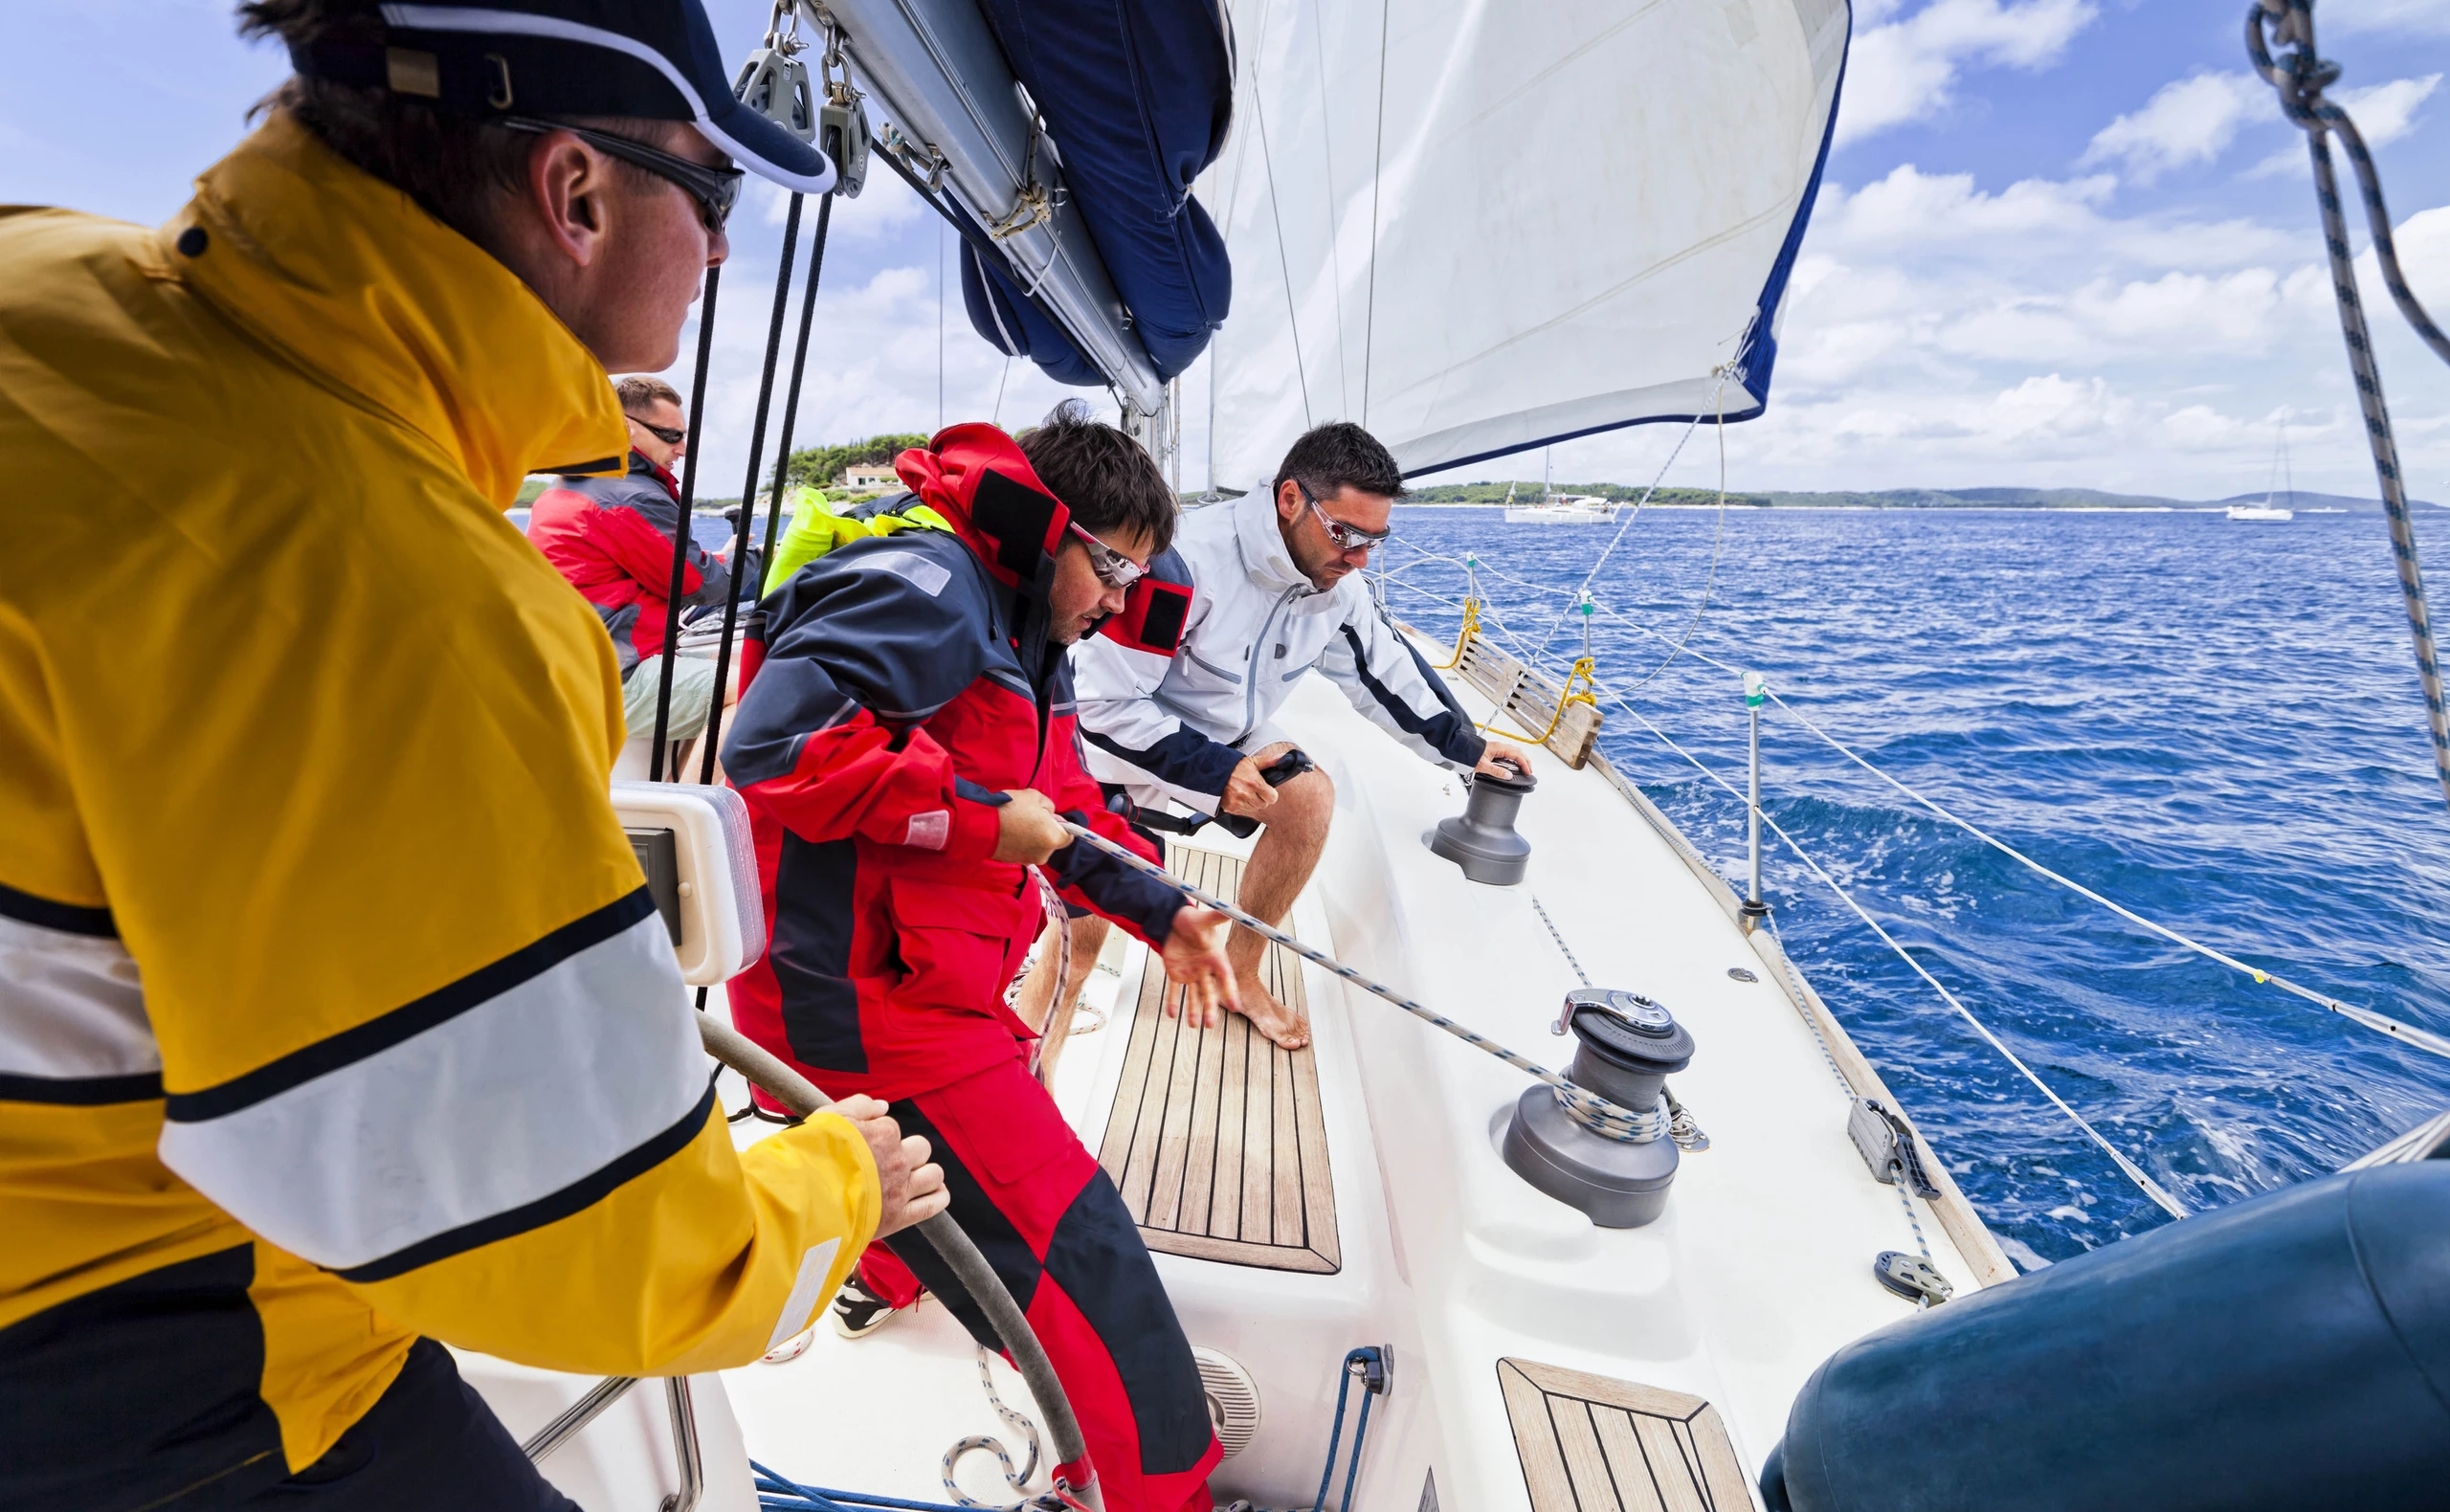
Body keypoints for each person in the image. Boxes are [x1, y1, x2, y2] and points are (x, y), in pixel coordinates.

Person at [0, 3, 947, 1508]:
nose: (719, 255)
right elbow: (595, 1243)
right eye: (710, 199)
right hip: (153, 1375)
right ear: (575, 192)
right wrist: (831, 1184)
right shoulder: (391, 591)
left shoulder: (38, 279)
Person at [723, 404, 1236, 1512]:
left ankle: (882, 1268)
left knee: (930, 1180)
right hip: (855, 1005)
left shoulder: (1023, 627)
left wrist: (1162, 910)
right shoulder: (928, 584)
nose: (1114, 602)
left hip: (912, 985)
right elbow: (773, 742)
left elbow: (1063, 804)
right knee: (1080, 1243)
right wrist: (973, 820)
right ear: (1050, 527)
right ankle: (1166, 1495)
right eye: (1109, 568)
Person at [1073, 422, 1530, 1048]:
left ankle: (1239, 968)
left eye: (1375, 540)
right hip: (1124, 731)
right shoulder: (1186, 562)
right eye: (1345, 533)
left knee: (1309, 798)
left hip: (1225, 729)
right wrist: (1211, 770)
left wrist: (1470, 749)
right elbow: (1101, 703)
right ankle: (1067, 976)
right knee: (1085, 924)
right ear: (1290, 500)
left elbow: (1385, 675)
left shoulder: (1336, 588)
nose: (1360, 558)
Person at [530, 375, 748, 758]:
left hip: (574, 670)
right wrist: (747, 560)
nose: (682, 449)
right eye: (670, 435)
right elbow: (703, 588)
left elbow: (645, 565)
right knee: (757, 693)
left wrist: (721, 560)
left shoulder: (569, 487)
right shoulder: (629, 496)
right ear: (627, 428)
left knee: (743, 658)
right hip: (616, 678)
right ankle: (696, 814)